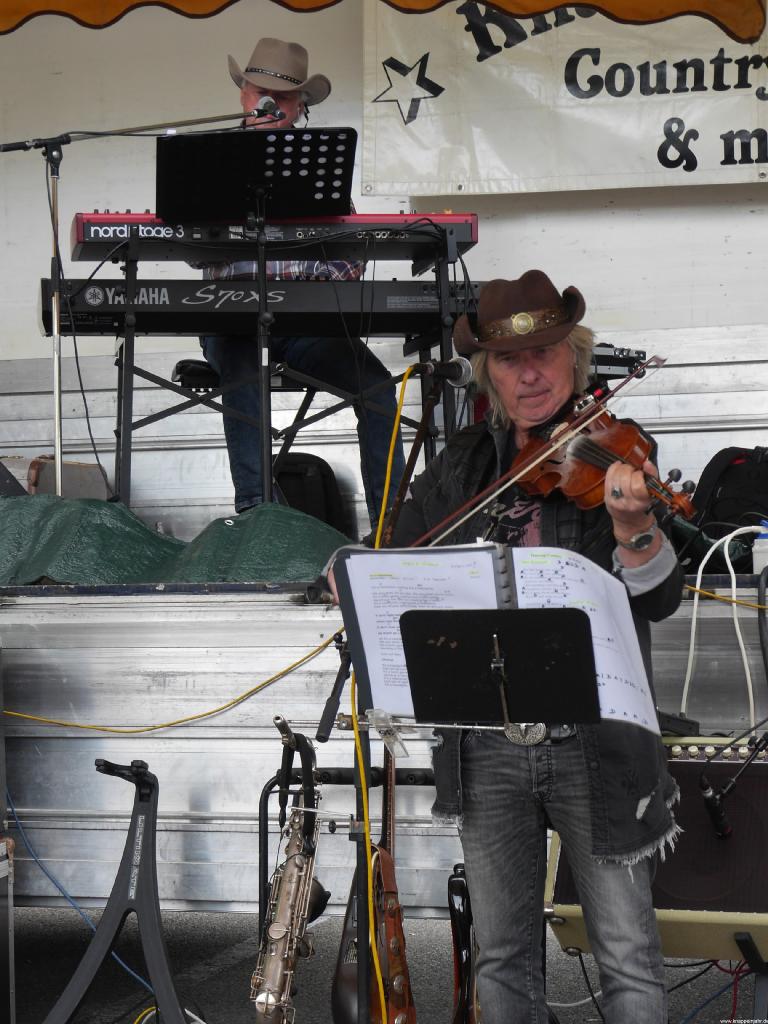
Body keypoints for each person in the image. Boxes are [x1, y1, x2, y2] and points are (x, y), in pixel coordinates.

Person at [383, 271, 683, 1023]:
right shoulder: (458, 467)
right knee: (502, 957)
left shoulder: (615, 461)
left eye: (546, 352)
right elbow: (395, 553)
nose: (530, 373)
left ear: (573, 360)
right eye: (511, 360)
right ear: (488, 374)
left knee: (627, 956)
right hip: (486, 740)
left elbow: (661, 598)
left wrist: (633, 529)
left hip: (596, 740)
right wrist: (349, 567)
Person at [200, 37, 405, 525]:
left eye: (283, 96)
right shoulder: (213, 159)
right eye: (258, 91)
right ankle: (255, 510)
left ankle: (393, 522)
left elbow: (351, 257)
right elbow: (195, 256)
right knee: (243, 361)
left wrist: (313, 289)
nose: (269, 103)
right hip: (234, 320)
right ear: (243, 94)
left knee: (377, 391)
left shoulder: (322, 165)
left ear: (300, 106)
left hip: (309, 326)